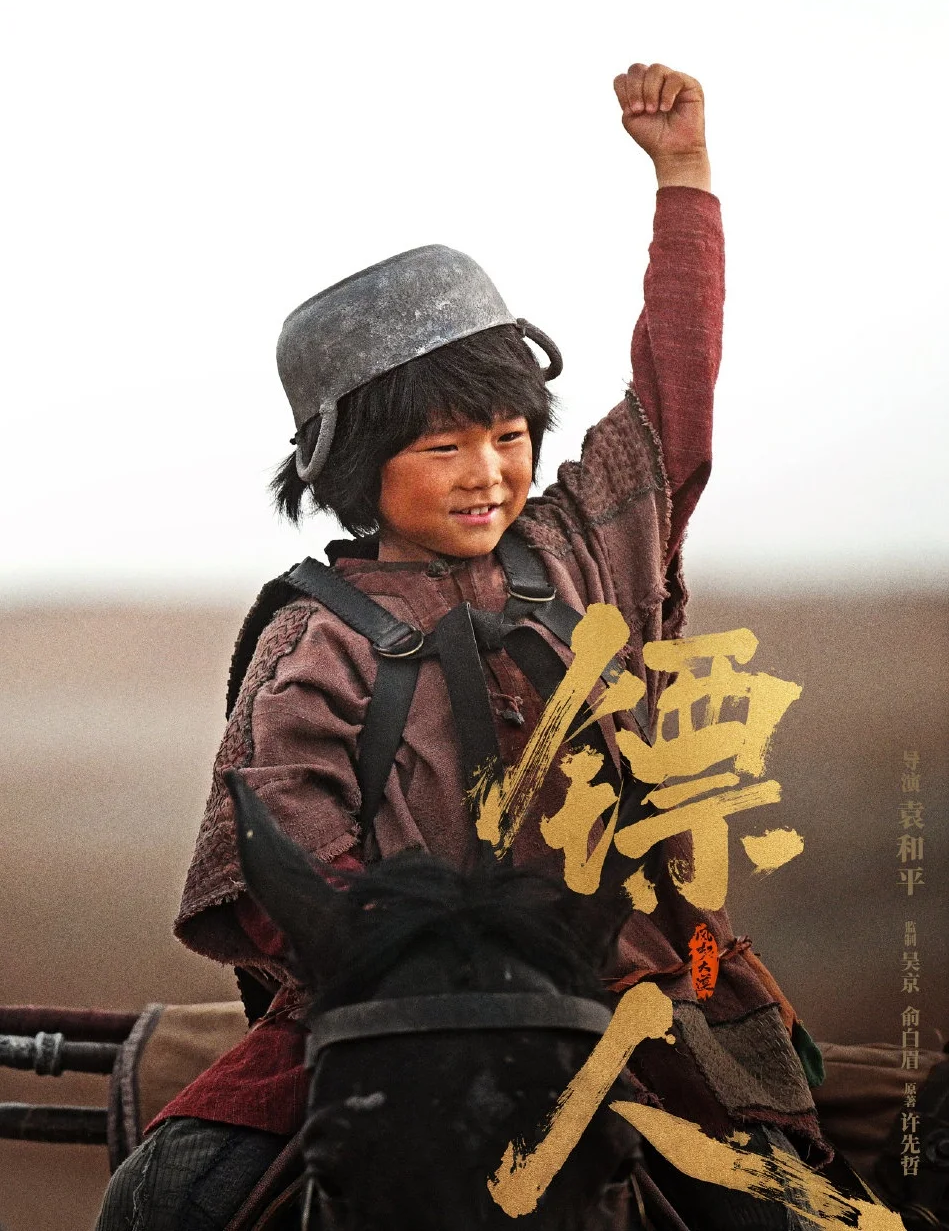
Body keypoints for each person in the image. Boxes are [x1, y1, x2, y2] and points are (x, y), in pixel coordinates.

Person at [96, 64, 824, 1230]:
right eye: (443, 448)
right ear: (353, 468)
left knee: (780, 1207)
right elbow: (279, 844)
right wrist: (413, 960)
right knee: (170, 1196)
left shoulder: (588, 547)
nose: (488, 472)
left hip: (626, 987)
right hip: (388, 1012)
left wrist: (682, 177)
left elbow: (673, 401)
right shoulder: (313, 641)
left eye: (508, 435)